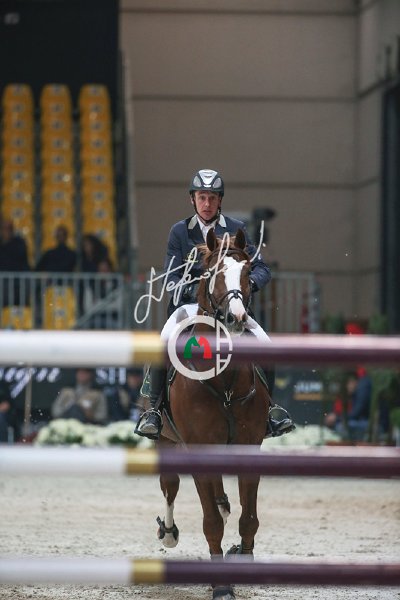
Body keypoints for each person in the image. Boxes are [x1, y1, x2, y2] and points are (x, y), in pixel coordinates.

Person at [135, 168, 294, 440]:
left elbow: (262, 268)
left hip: (230, 304)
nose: (206, 203)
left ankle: (270, 410)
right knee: (164, 341)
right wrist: (193, 289)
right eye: (201, 197)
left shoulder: (236, 229)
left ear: (220, 200)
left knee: (265, 343)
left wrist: (245, 285)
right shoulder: (179, 232)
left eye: (211, 198)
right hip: (191, 306)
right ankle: (154, 410)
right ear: (192, 199)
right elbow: (170, 275)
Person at [324, 369, 372, 441]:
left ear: (354, 381)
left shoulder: (363, 387)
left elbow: (356, 413)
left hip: (367, 422)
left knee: (341, 427)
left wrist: (336, 418)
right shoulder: (350, 394)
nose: (347, 386)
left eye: (349, 383)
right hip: (359, 420)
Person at [0, 218, 30, 306]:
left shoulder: (19, 242)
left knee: (21, 302)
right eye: (4, 228)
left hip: (18, 280)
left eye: (9, 228)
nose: (6, 231)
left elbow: (20, 256)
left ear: (12, 230)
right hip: (3, 281)